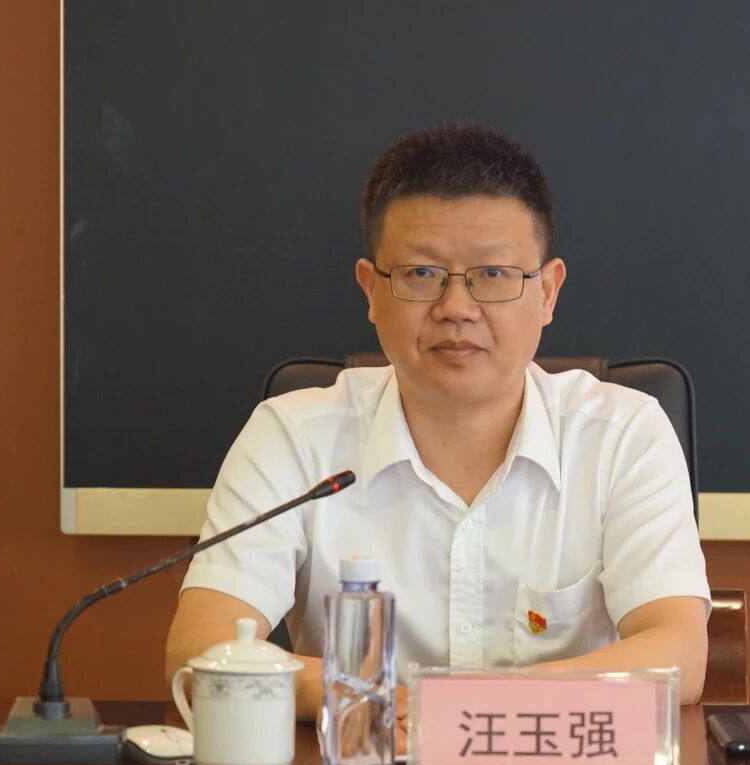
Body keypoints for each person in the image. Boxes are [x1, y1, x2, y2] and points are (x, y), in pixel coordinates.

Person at [165, 125, 709, 724]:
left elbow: (677, 651)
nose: (456, 308)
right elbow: (199, 648)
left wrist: (464, 712)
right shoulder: (293, 436)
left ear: (548, 292)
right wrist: (377, 704)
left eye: (493, 274)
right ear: (371, 290)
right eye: (421, 274)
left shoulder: (624, 435)